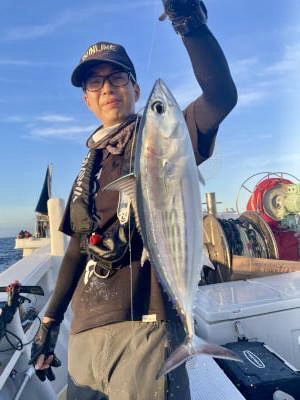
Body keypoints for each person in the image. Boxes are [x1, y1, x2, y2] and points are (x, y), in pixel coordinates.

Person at [29, 1, 237, 399]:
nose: (106, 87)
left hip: (145, 332)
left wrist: (189, 24)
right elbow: (75, 250)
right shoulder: (87, 170)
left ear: (136, 89)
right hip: (86, 338)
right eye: (95, 83)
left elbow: (221, 95)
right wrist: (50, 322)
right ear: (87, 100)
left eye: (117, 77)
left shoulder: (162, 138)